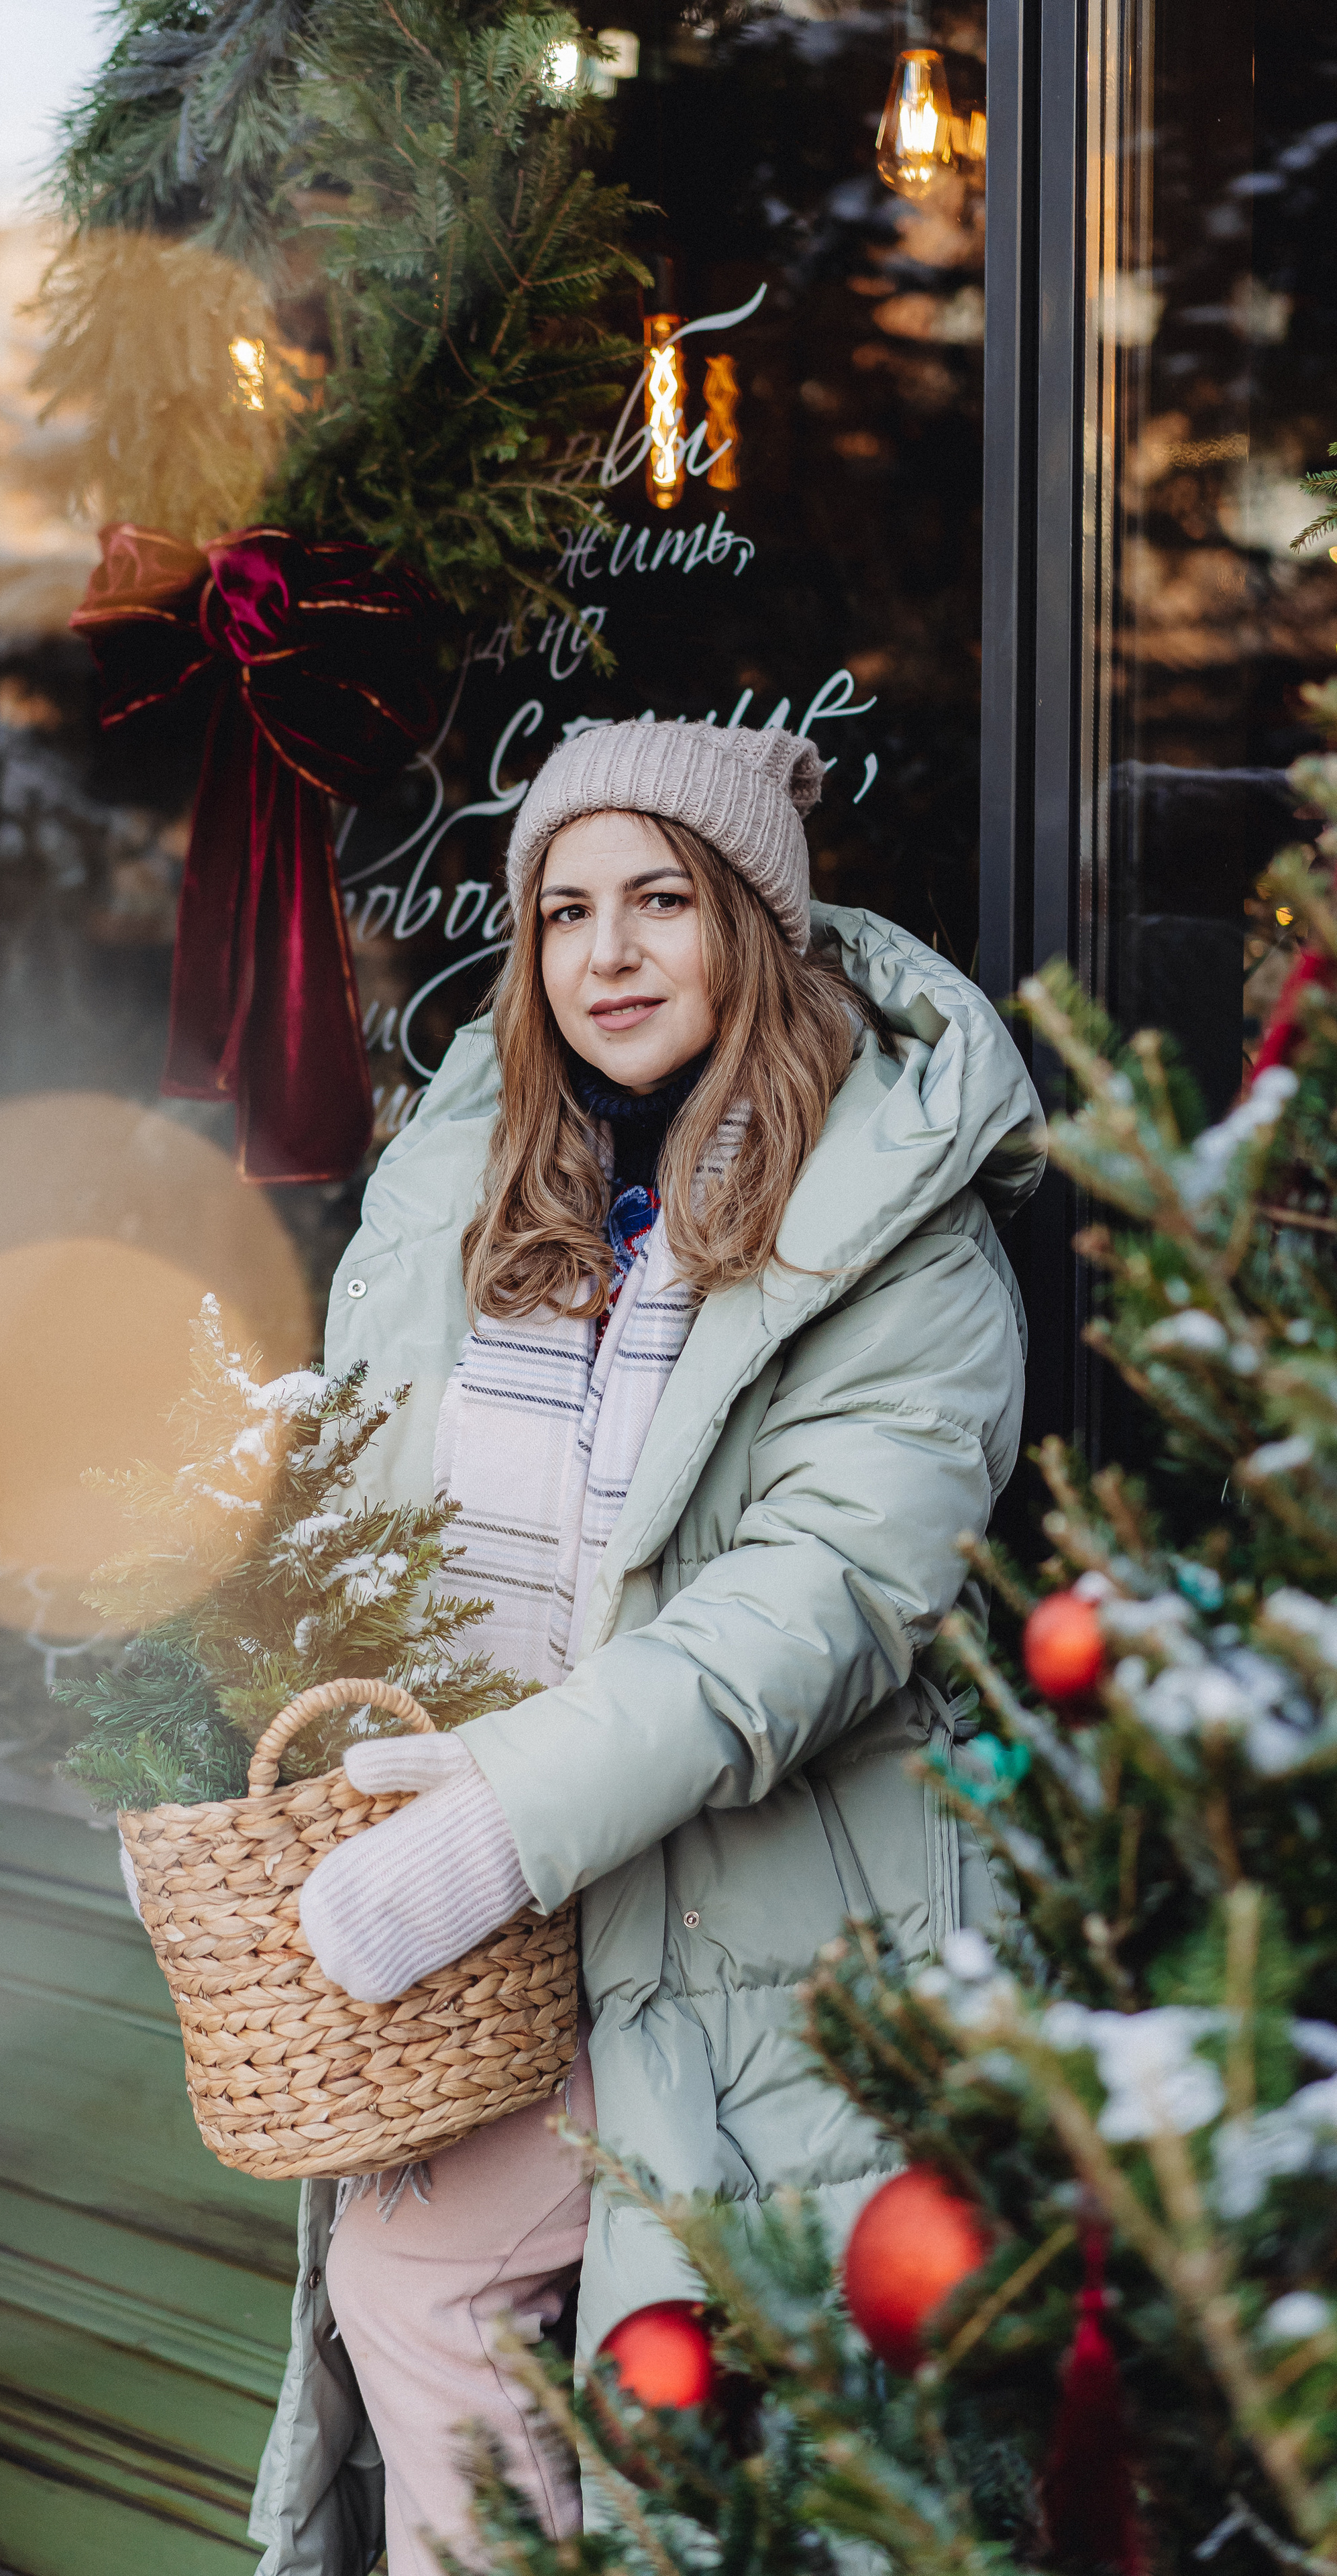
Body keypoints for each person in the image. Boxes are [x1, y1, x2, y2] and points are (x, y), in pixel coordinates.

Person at [248, 720, 1044, 2576]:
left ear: (752, 927)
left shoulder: (898, 1249)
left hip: (763, 1924)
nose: (605, 954)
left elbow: (818, 1603)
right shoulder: (481, 1202)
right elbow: (365, 1518)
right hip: (519, 1947)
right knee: (421, 2294)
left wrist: (498, 1816)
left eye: (662, 902)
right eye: (565, 913)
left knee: (686, 2419)